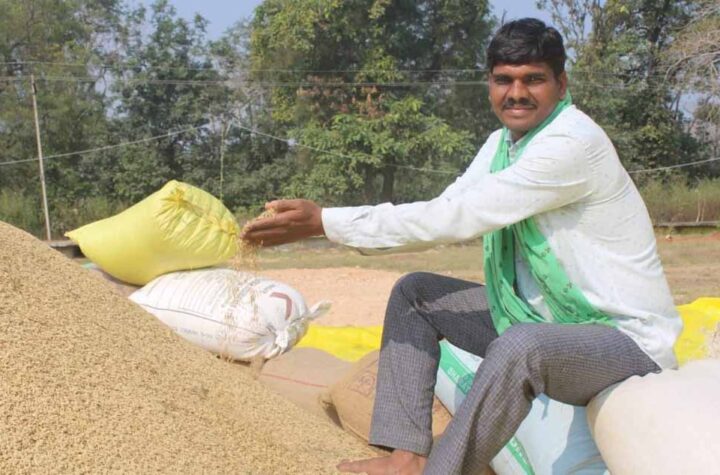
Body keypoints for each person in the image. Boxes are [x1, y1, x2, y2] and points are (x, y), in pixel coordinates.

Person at [243, 18, 682, 475]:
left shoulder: (571, 144)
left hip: (622, 338)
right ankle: (406, 457)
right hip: (544, 318)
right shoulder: (501, 145)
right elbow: (448, 204)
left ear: (561, 84)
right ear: (489, 84)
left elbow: (458, 217)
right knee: (416, 294)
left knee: (521, 346)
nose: (517, 93)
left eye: (533, 79)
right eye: (504, 80)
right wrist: (329, 225)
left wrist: (326, 222)